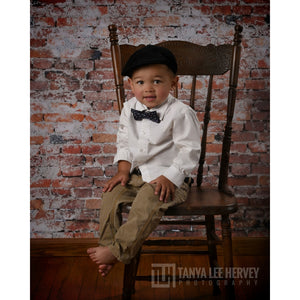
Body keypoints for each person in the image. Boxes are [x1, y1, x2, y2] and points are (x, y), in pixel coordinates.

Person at [87, 45, 201, 277]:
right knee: (111, 193)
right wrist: (122, 170)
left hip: (170, 180)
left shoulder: (180, 112)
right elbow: (125, 141)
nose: (148, 88)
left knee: (149, 198)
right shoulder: (130, 108)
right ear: (130, 84)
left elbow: (190, 150)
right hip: (138, 176)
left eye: (157, 81)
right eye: (140, 82)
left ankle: (119, 250)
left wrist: (171, 177)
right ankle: (109, 245)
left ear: (174, 83)